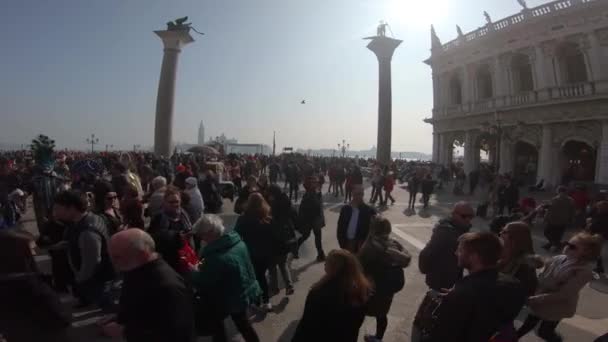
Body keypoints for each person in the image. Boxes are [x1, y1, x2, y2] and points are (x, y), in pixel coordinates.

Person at [426, 232, 527, 342]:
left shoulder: (464, 293)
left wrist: (455, 300)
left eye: (460, 250)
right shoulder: (515, 284)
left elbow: (443, 335)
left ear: (474, 257)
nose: (456, 253)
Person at [103, 229, 195, 342]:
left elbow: (177, 334)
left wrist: (125, 332)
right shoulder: (135, 269)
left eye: (118, 257)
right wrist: (121, 317)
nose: (113, 262)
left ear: (143, 253)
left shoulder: (168, 286)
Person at [517, 232, 603, 341]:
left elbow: (564, 294)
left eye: (572, 247)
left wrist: (535, 299)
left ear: (586, 252)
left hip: (557, 306)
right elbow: (546, 267)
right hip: (541, 299)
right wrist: (537, 262)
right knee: (527, 325)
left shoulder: (582, 271)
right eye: (567, 243)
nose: (567, 247)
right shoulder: (560, 258)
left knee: (544, 332)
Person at [190, 215, 261, 342]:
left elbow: (203, 281)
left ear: (210, 233)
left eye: (202, 235)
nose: (201, 239)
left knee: (218, 325)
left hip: (227, 297)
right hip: (242, 290)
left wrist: (193, 272)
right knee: (244, 325)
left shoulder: (215, 257)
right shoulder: (238, 242)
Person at [412, 202, 474, 341]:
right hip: (441, 280)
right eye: (465, 216)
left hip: (450, 280)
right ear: (454, 214)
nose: (469, 220)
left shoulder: (458, 230)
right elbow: (427, 253)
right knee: (428, 317)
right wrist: (428, 270)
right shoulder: (447, 233)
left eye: (471, 216)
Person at [0, 231, 70, 342]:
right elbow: (59, 318)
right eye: (31, 249)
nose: (34, 253)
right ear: (18, 253)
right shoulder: (33, 287)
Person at [292, 249, 372, 342]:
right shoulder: (362, 290)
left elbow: (307, 325)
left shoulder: (319, 293)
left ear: (333, 267)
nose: (324, 264)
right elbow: (356, 324)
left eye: (327, 262)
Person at [53, 190, 115, 309]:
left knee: (104, 304)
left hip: (96, 278)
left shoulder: (87, 232)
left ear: (71, 208)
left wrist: (80, 278)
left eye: (58, 208)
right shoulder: (89, 218)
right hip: (94, 276)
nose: (55, 212)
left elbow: (92, 262)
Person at [358, 217, 411, 342]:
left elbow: (360, 265)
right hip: (387, 288)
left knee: (360, 311)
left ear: (373, 229)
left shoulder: (370, 246)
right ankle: (378, 338)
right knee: (382, 314)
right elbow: (406, 258)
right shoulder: (394, 244)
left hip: (370, 287)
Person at [234, 192, 280, 311]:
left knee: (254, 276)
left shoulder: (243, 218)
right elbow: (275, 236)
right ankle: (265, 301)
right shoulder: (267, 218)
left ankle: (258, 300)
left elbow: (236, 234)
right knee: (261, 276)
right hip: (266, 253)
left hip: (249, 253)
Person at [148, 186, 194, 274]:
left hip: (185, 256)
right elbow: (154, 239)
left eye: (177, 201)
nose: (175, 204)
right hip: (168, 260)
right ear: (164, 202)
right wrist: (176, 236)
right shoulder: (159, 217)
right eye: (171, 202)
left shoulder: (183, 214)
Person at [266, 184, 297, 295]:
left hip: (273, 240)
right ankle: (289, 286)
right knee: (283, 265)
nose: (268, 196)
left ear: (273, 194)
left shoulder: (274, 206)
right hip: (285, 240)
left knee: (272, 266)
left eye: (269, 194)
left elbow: (271, 222)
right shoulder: (286, 202)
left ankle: (274, 288)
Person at [498, 222, 539, 296]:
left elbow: (526, 289)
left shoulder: (526, 263)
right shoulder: (502, 251)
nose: (500, 233)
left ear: (516, 237)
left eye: (504, 232)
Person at [337, 185, 377, 254]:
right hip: (347, 243)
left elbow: (373, 230)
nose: (359, 196)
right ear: (352, 194)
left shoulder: (369, 210)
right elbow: (340, 227)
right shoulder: (345, 209)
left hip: (361, 244)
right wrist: (342, 242)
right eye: (357, 194)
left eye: (361, 194)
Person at [297, 176, 326, 261]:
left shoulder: (317, 192)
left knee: (318, 238)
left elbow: (320, 207)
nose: (316, 184)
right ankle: (294, 248)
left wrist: (321, 219)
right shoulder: (308, 194)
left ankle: (320, 255)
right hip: (309, 220)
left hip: (316, 220)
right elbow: (303, 208)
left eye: (317, 182)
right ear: (310, 184)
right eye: (314, 182)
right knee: (305, 235)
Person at [543, 186, 575, 251]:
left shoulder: (555, 199)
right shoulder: (571, 200)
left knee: (547, 232)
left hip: (553, 220)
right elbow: (572, 211)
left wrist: (545, 218)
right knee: (558, 234)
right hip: (564, 220)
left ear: (558, 191)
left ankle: (555, 244)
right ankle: (553, 244)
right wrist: (571, 219)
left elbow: (550, 210)